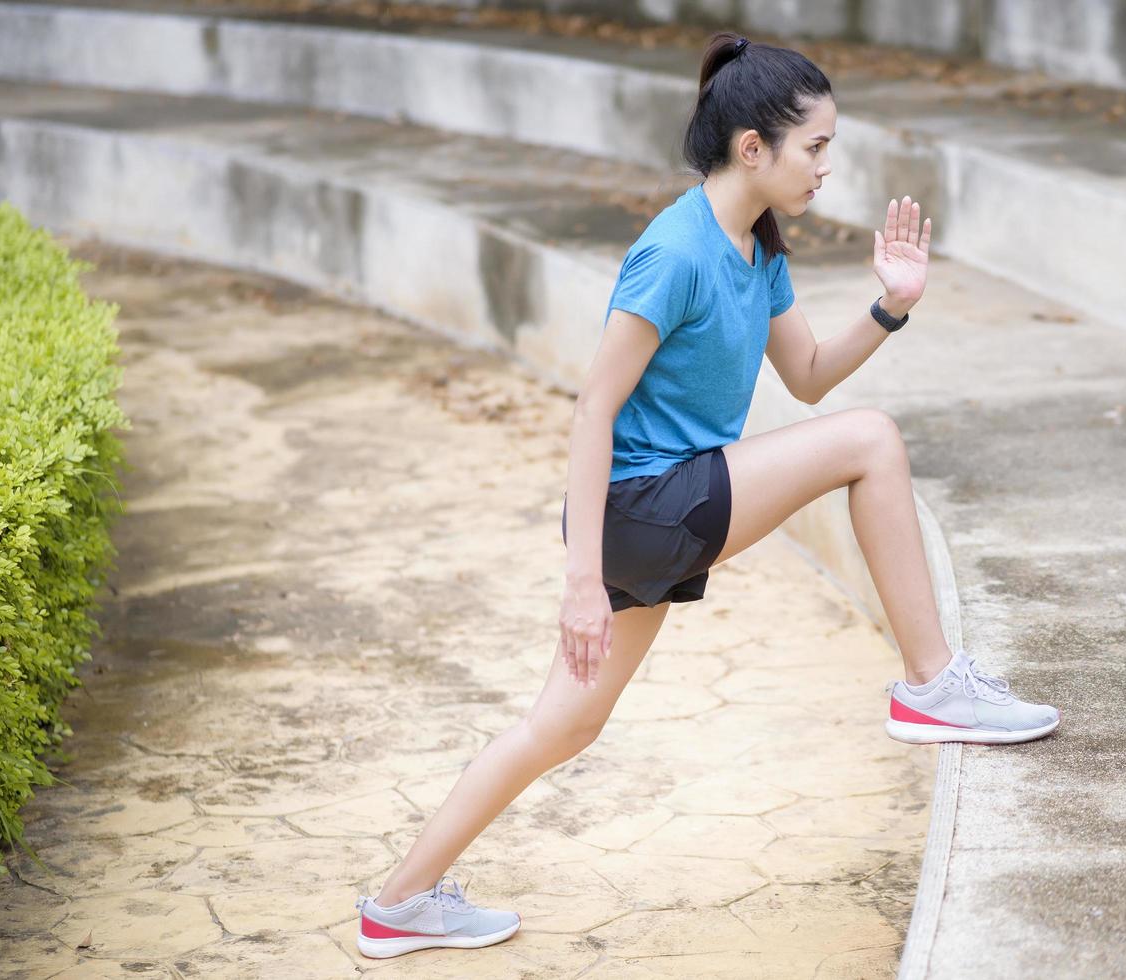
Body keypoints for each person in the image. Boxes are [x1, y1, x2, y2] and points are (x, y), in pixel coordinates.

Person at [354, 30, 1059, 960]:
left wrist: (891, 307)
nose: (827, 169)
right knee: (872, 442)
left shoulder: (756, 246)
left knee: (561, 723)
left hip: (653, 513)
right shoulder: (675, 253)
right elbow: (592, 410)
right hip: (641, 507)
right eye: (816, 148)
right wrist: (578, 581)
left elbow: (806, 375)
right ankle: (932, 688)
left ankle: (397, 905)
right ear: (752, 147)